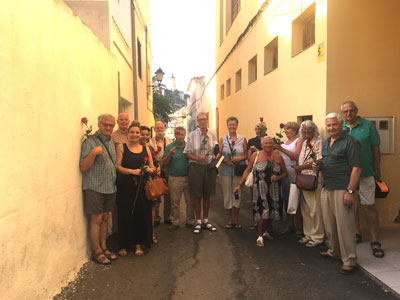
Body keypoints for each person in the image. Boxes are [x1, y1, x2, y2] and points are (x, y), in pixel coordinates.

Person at [319, 113, 362, 275]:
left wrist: (350, 191)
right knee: (329, 224)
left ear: (341, 124)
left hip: (343, 188)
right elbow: (325, 161)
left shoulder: (351, 142)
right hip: (327, 187)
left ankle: (350, 260)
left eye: (334, 125)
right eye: (328, 125)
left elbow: (357, 168)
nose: (331, 128)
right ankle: (335, 252)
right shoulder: (326, 142)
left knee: (345, 226)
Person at [342, 101, 384, 258]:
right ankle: (357, 233)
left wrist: (377, 170)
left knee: (369, 207)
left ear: (356, 111)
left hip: (366, 173)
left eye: (351, 111)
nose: (348, 114)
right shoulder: (341, 127)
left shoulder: (368, 126)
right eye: (345, 111)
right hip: (347, 175)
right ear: (342, 113)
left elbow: (375, 148)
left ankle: (375, 240)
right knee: (351, 206)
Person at [234, 136, 287, 247]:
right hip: (260, 190)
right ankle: (260, 235)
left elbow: (285, 173)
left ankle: (265, 231)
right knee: (262, 212)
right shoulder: (255, 155)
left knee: (272, 212)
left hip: (274, 190)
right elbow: (247, 170)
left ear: (273, 144)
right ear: (262, 145)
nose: (268, 145)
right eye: (265, 143)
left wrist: (277, 177)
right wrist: (239, 184)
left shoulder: (278, 156)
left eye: (270, 143)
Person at [79, 114, 118, 265]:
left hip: (109, 187)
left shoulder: (111, 141)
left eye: (111, 125)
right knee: (96, 220)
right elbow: (83, 167)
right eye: (105, 124)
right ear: (99, 125)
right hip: (94, 187)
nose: (108, 128)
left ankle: (104, 246)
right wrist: (93, 153)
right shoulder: (90, 142)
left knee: (105, 218)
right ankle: (97, 251)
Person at [116, 123, 155, 256]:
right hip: (126, 186)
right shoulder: (122, 147)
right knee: (125, 213)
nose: (135, 135)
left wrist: (146, 170)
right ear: (128, 133)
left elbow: (152, 167)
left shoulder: (146, 148)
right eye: (132, 132)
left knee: (140, 213)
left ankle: (138, 244)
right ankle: (124, 245)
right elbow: (118, 166)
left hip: (142, 187)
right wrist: (133, 171)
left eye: (137, 133)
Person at [184, 112, 219, 234]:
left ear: (207, 120)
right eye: (200, 120)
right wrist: (198, 158)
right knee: (197, 195)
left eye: (204, 119)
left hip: (209, 168)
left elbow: (216, 149)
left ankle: (206, 220)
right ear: (197, 122)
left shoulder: (213, 133)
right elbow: (187, 152)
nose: (203, 122)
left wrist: (215, 159)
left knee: (207, 194)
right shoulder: (192, 135)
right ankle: (198, 221)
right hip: (196, 167)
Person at [295, 121, 325, 247]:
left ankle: (317, 237)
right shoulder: (304, 143)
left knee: (315, 210)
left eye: (309, 130)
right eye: (304, 130)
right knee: (306, 209)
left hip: (313, 179)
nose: (306, 132)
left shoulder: (318, 142)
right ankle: (308, 234)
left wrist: (301, 167)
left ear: (314, 130)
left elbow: (319, 161)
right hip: (304, 179)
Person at [162, 127, 195, 230]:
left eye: (182, 134)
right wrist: (170, 154)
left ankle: (190, 221)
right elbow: (164, 162)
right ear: (175, 135)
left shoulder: (189, 147)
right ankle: (175, 222)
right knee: (175, 202)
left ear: (185, 135)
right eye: (178, 134)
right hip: (174, 179)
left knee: (190, 201)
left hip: (189, 177)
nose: (180, 136)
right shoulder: (169, 147)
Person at [273, 122, 303, 237]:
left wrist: (280, 148)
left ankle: (300, 226)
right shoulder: (284, 142)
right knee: (286, 198)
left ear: (295, 130)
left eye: (288, 129)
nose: (285, 131)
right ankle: (290, 225)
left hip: (293, 171)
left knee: (295, 198)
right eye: (285, 129)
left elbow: (296, 155)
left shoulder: (298, 140)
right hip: (283, 172)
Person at [219, 117, 247, 229]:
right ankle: (229, 220)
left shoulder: (243, 139)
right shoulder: (223, 139)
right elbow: (219, 155)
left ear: (237, 125)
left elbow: (247, 155)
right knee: (227, 195)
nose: (232, 127)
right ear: (227, 126)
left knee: (237, 194)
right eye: (230, 125)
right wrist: (225, 160)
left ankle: (236, 219)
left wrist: (239, 159)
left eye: (234, 125)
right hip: (225, 171)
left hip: (238, 171)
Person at [149, 121, 173, 225]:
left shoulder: (169, 140)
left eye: (161, 128)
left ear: (164, 129)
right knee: (156, 194)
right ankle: (156, 218)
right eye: (157, 128)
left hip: (167, 170)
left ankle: (167, 217)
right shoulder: (150, 142)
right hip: (156, 172)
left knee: (168, 195)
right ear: (154, 129)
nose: (160, 130)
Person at [110, 113, 130, 236]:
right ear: (118, 121)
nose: (123, 121)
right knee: (118, 205)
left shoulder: (132, 134)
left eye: (125, 120)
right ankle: (117, 231)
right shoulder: (113, 136)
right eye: (121, 119)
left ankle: (130, 229)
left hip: (133, 173)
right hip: (120, 174)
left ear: (128, 121)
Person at [140, 125, 160, 244]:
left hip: (150, 181)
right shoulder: (133, 147)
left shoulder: (150, 147)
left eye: (147, 134)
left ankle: (150, 231)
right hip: (139, 181)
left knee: (151, 207)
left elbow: (156, 161)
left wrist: (157, 167)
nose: (145, 136)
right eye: (143, 134)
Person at [247, 118, 268, 229]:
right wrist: (251, 151)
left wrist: (257, 150)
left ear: (265, 129)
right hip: (255, 172)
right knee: (255, 198)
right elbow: (248, 157)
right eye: (256, 128)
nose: (258, 130)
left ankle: (267, 223)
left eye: (260, 128)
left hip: (267, 173)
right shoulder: (251, 141)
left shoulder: (269, 140)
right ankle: (257, 221)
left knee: (266, 197)